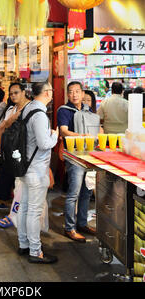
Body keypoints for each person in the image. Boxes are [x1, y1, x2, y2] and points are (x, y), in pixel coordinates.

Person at [17, 81, 58, 264]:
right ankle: (35, 251)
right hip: (37, 169)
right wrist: (55, 136)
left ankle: (23, 243)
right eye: (51, 90)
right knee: (33, 210)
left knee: (24, 207)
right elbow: (44, 144)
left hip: (26, 167)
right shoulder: (40, 114)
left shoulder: (28, 108)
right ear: (48, 93)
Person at [57, 81, 95, 242]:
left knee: (86, 192)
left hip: (88, 155)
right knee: (73, 193)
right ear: (67, 94)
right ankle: (69, 228)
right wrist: (81, 137)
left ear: (82, 93)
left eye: (77, 92)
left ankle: (82, 223)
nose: (74, 95)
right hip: (73, 156)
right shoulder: (64, 110)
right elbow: (64, 131)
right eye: (71, 92)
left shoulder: (87, 110)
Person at [0, 82, 30, 210]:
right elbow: (2, 127)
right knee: (10, 174)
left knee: (12, 175)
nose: (13, 96)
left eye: (16, 93)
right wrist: (1, 145)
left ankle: (8, 201)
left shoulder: (30, 108)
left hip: (24, 149)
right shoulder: (12, 110)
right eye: (11, 94)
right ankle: (7, 203)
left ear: (23, 92)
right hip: (12, 148)